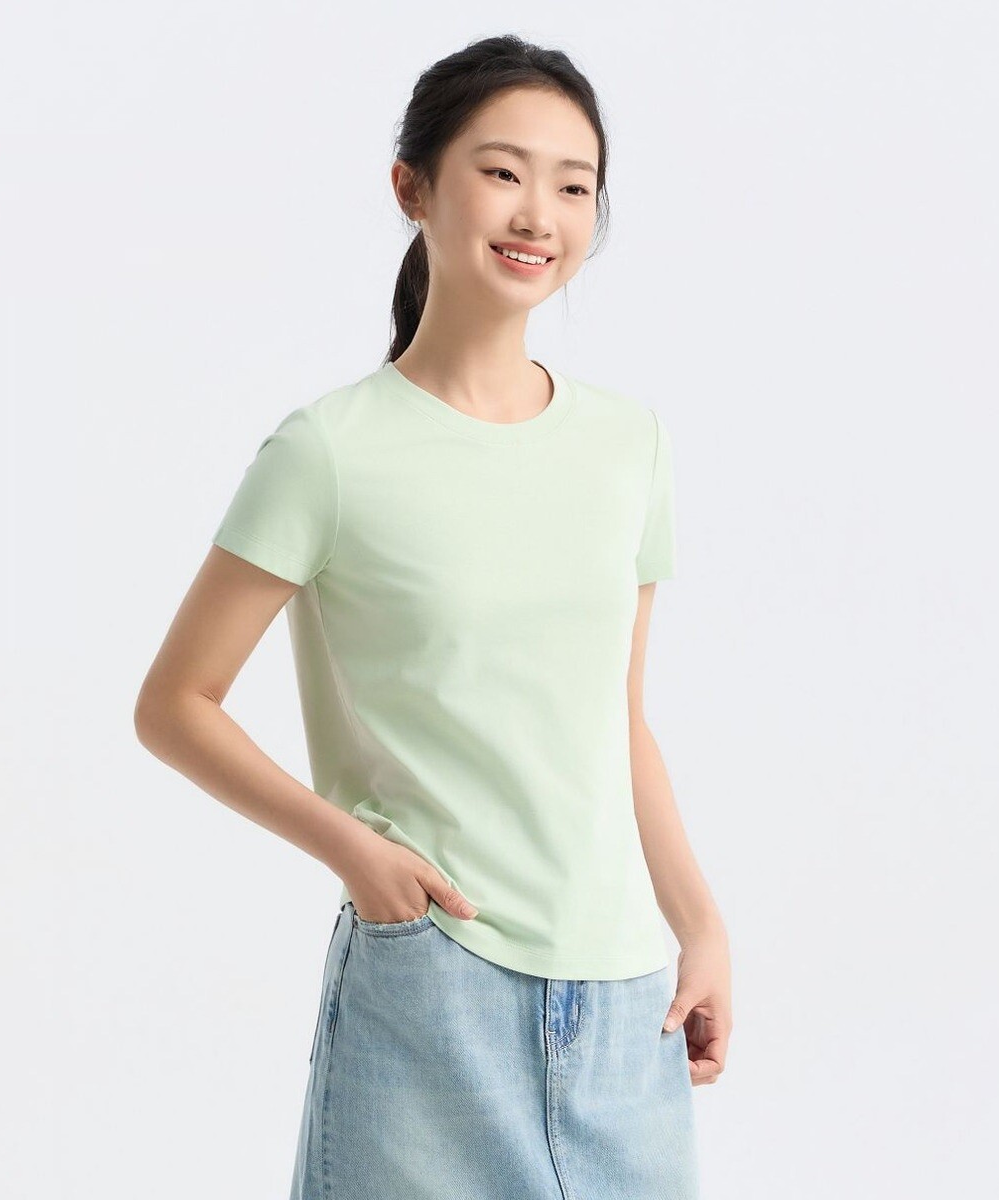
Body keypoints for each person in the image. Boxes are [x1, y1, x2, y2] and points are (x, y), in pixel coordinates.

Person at [134, 33, 731, 1200]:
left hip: (628, 1000)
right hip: (435, 979)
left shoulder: (629, 445)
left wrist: (700, 923)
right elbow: (175, 704)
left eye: (574, 186)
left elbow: (619, 720)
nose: (539, 213)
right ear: (412, 187)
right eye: (502, 172)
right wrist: (356, 853)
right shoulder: (329, 452)